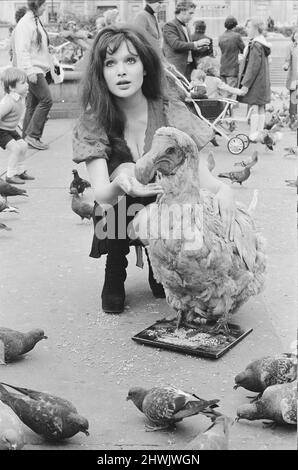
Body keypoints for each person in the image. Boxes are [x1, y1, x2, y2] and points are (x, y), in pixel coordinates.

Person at [72, 26, 236, 315]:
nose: (121, 71)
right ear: (101, 73)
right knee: (122, 198)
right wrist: (122, 181)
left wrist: (225, 190)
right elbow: (101, 194)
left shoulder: (169, 109)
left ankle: (159, 263)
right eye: (110, 64)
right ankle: (115, 273)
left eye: (130, 61)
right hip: (117, 209)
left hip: (165, 207)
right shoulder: (95, 119)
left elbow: (200, 176)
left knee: (165, 196)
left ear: (145, 67)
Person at [14, 0, 53, 150]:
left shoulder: (35, 21)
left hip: (38, 68)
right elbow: (22, 50)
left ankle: (26, 137)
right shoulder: (25, 23)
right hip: (32, 69)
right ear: (36, 6)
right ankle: (33, 135)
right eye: (43, 5)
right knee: (46, 100)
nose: (46, 8)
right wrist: (29, 71)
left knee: (32, 104)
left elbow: (36, 46)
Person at [238, 18, 271, 142]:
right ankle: (260, 133)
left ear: (255, 29)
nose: (246, 29)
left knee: (253, 106)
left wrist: (245, 84)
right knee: (261, 106)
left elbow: (252, 67)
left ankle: (253, 135)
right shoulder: (263, 44)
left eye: (248, 27)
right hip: (262, 81)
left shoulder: (255, 45)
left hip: (256, 82)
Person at [0, 67, 35, 184]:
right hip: (2, 131)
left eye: (26, 82)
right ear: (11, 87)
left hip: (10, 129)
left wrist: (18, 126)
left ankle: (20, 171)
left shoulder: (19, 98)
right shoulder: (8, 102)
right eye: (23, 83)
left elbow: (17, 115)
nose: (27, 85)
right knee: (16, 149)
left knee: (23, 146)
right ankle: (10, 175)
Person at [162, 1, 210, 79]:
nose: (192, 16)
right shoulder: (170, 25)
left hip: (189, 67)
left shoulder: (186, 27)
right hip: (177, 68)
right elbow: (175, 44)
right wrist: (196, 44)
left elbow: (186, 47)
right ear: (182, 11)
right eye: (190, 13)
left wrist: (198, 48)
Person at [218, 16, 245, 92]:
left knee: (223, 92)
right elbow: (244, 49)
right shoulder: (236, 36)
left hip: (222, 67)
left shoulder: (221, 36)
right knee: (231, 93)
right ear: (235, 25)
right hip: (232, 68)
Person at [283, 30, 297, 129]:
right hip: (294, 78)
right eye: (296, 35)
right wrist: (286, 66)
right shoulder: (290, 47)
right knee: (293, 100)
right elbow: (287, 61)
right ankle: (293, 121)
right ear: (294, 36)